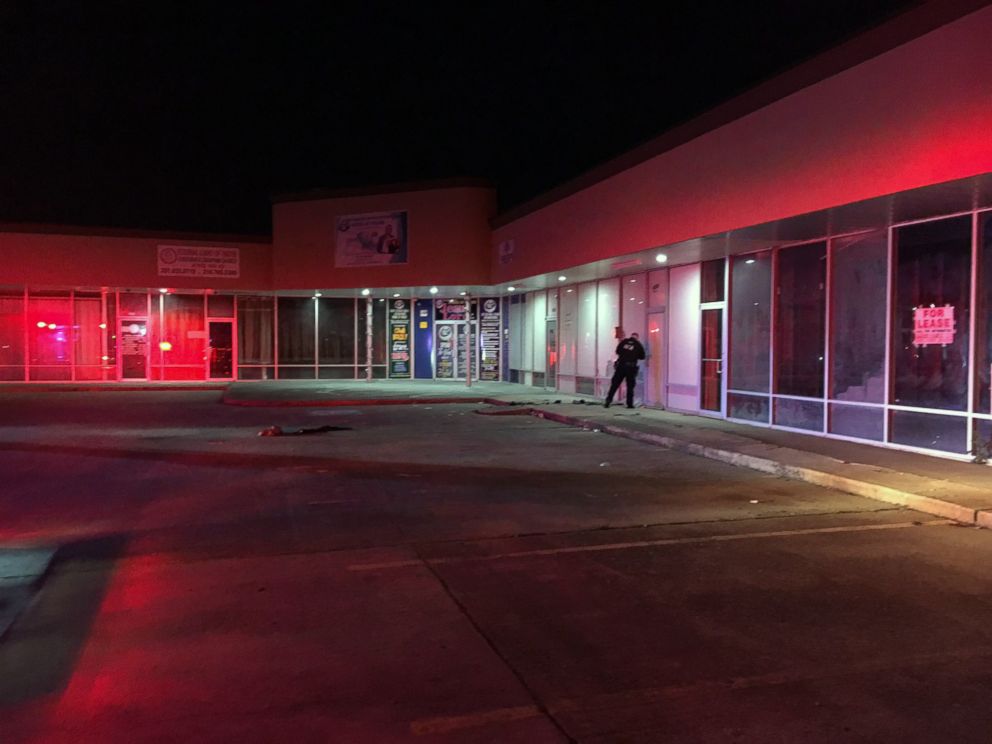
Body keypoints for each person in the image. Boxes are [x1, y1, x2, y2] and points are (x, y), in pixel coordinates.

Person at [605, 332, 645, 408]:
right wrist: (633, 355)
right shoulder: (638, 344)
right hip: (631, 367)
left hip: (621, 366)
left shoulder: (624, 342)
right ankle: (629, 404)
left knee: (615, 384)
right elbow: (642, 356)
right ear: (637, 337)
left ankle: (608, 400)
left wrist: (625, 354)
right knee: (630, 386)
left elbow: (617, 351)